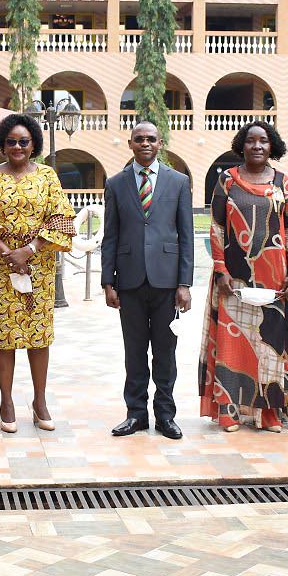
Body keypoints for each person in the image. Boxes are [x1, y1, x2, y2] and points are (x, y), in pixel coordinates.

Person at [0, 113, 75, 432]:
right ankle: (7, 401)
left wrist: (30, 250)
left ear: (34, 143)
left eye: (23, 141)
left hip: (39, 268)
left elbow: (62, 218)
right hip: (1, 268)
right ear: (2, 145)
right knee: (4, 336)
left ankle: (40, 401)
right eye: (10, 142)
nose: (17, 147)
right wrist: (7, 253)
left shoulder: (48, 176)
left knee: (39, 335)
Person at [199, 120, 288, 432]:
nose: (257, 146)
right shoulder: (228, 180)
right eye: (251, 141)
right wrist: (220, 271)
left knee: (271, 344)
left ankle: (269, 413)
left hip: (275, 279)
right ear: (242, 145)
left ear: (272, 147)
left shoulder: (284, 182)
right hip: (234, 279)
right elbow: (215, 227)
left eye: (263, 141)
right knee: (233, 343)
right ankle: (228, 409)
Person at [102, 122, 194, 440]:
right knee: (135, 352)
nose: (145, 143)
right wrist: (107, 282)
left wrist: (185, 283)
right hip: (128, 282)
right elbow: (110, 235)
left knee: (166, 352)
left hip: (167, 283)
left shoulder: (179, 182)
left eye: (150, 139)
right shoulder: (115, 184)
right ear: (130, 144)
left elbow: (186, 236)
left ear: (160, 143)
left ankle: (165, 415)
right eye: (139, 139)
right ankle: (136, 415)